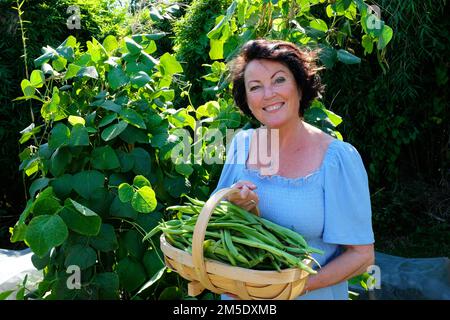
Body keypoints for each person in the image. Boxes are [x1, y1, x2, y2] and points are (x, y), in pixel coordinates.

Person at [212, 39, 375, 300]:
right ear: (247, 99)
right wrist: (235, 202)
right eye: (255, 87)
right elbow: (214, 218)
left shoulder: (336, 159)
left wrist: (290, 289)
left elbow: (361, 256)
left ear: (300, 86)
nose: (268, 94)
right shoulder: (242, 144)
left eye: (279, 80)